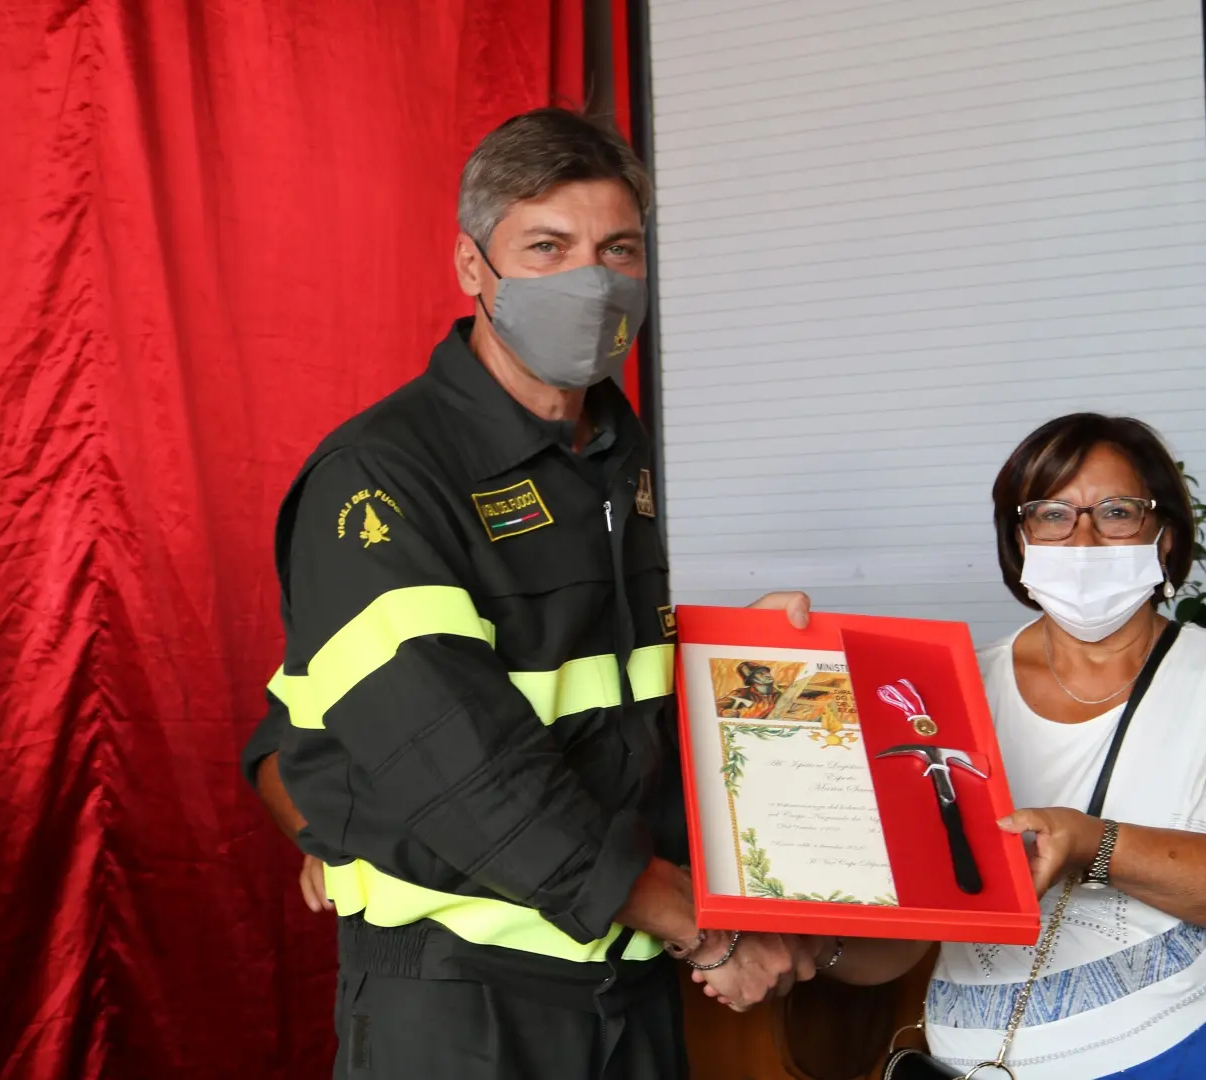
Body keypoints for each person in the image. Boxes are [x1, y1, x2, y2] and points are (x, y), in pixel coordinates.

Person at [239, 108, 826, 1080]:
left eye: (617, 249)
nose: (590, 282)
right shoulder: (382, 478)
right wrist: (699, 927)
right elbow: (456, 762)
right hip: (466, 1002)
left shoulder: (615, 457)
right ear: (474, 266)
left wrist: (738, 662)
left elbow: (598, 696)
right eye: (547, 247)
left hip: (625, 984)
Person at [810, 414, 1206, 1078]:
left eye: (1116, 511)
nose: (1084, 538)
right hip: (982, 1061)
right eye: (1052, 514)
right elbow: (905, 946)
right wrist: (807, 940)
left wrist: (1089, 844)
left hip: (1196, 1046)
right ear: (1020, 540)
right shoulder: (948, 691)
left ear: (1164, 537)